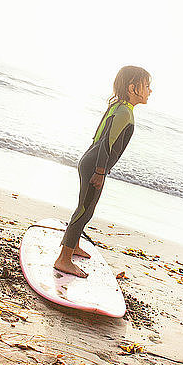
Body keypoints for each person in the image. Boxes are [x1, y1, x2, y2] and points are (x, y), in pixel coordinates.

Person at [54, 66, 152, 278]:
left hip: (91, 160)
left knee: (86, 207)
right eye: (147, 86)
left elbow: (97, 137)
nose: (150, 91)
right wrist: (100, 171)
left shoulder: (119, 107)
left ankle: (74, 245)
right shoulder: (124, 112)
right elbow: (107, 143)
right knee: (84, 210)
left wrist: (97, 166)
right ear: (133, 88)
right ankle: (64, 259)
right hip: (96, 165)